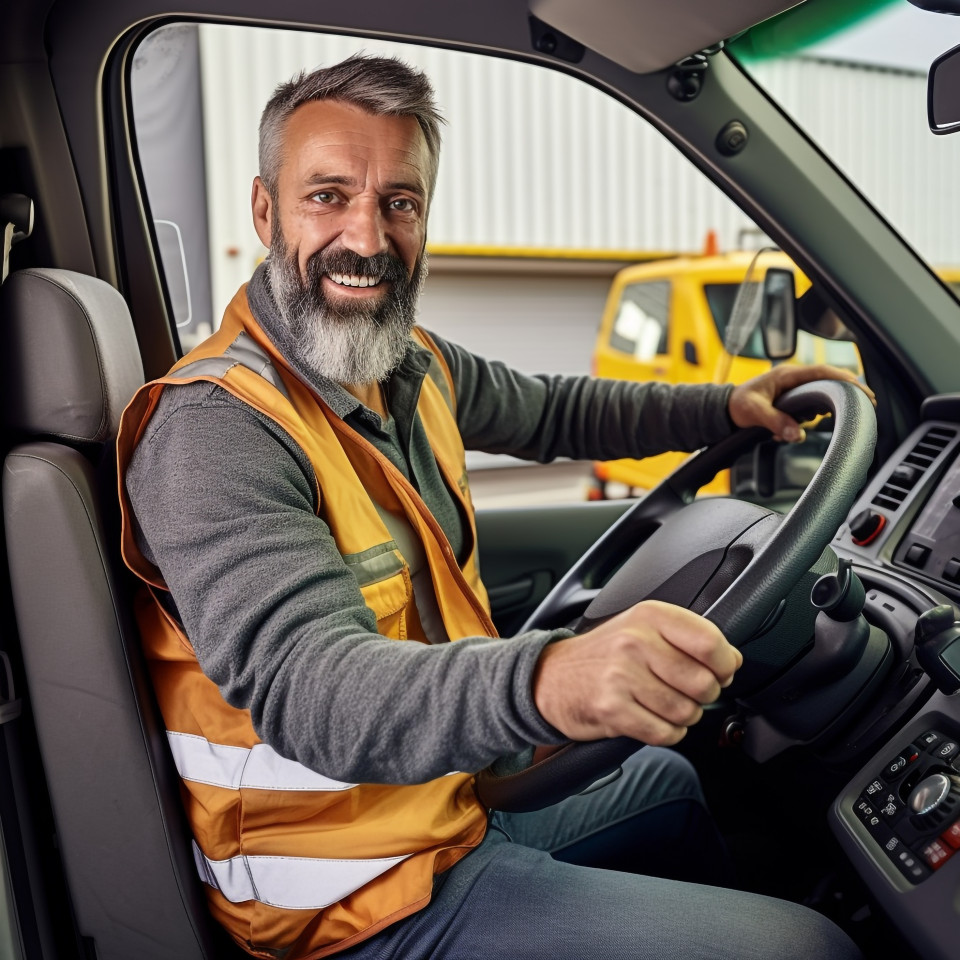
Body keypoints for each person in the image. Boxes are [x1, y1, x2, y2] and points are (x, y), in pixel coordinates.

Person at [117, 54, 868, 960]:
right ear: (265, 211)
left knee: (670, 784)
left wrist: (726, 406)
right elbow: (307, 688)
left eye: (400, 201)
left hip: (442, 798)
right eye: (327, 196)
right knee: (810, 949)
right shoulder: (212, 428)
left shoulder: (406, 363)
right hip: (346, 896)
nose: (367, 235)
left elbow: (557, 407)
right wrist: (549, 678)